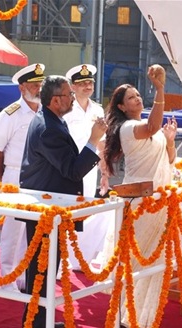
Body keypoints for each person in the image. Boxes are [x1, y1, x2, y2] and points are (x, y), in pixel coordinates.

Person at [19, 75, 107, 328]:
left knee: (44, 268)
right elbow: (72, 170)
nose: (72, 98)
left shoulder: (52, 120)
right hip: (46, 207)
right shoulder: (49, 128)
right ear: (56, 100)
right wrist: (93, 140)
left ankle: (39, 319)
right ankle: (36, 322)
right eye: (69, 94)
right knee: (42, 268)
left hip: (49, 205)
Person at [101, 64, 177, 327]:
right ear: (122, 107)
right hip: (140, 201)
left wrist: (170, 141)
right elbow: (153, 125)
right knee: (135, 260)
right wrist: (160, 89)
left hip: (160, 200)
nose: (137, 98)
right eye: (131, 97)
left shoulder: (146, 127)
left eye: (137, 94)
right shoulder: (127, 128)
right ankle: (122, 314)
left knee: (154, 261)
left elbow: (169, 159)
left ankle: (140, 316)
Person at [0, 63, 45, 292]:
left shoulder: (44, 112)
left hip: (36, 177)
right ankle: (7, 278)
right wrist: (6, 177)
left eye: (41, 83)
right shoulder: (9, 114)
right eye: (34, 84)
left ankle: (22, 275)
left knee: (30, 231)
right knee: (12, 231)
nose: (39, 88)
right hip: (14, 174)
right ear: (22, 88)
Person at [63, 64, 108, 270]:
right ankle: (62, 258)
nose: (87, 87)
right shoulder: (64, 109)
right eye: (82, 84)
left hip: (89, 171)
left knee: (85, 214)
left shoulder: (97, 110)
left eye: (90, 83)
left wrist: (105, 172)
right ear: (73, 86)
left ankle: (78, 259)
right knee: (65, 213)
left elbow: (101, 143)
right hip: (67, 169)